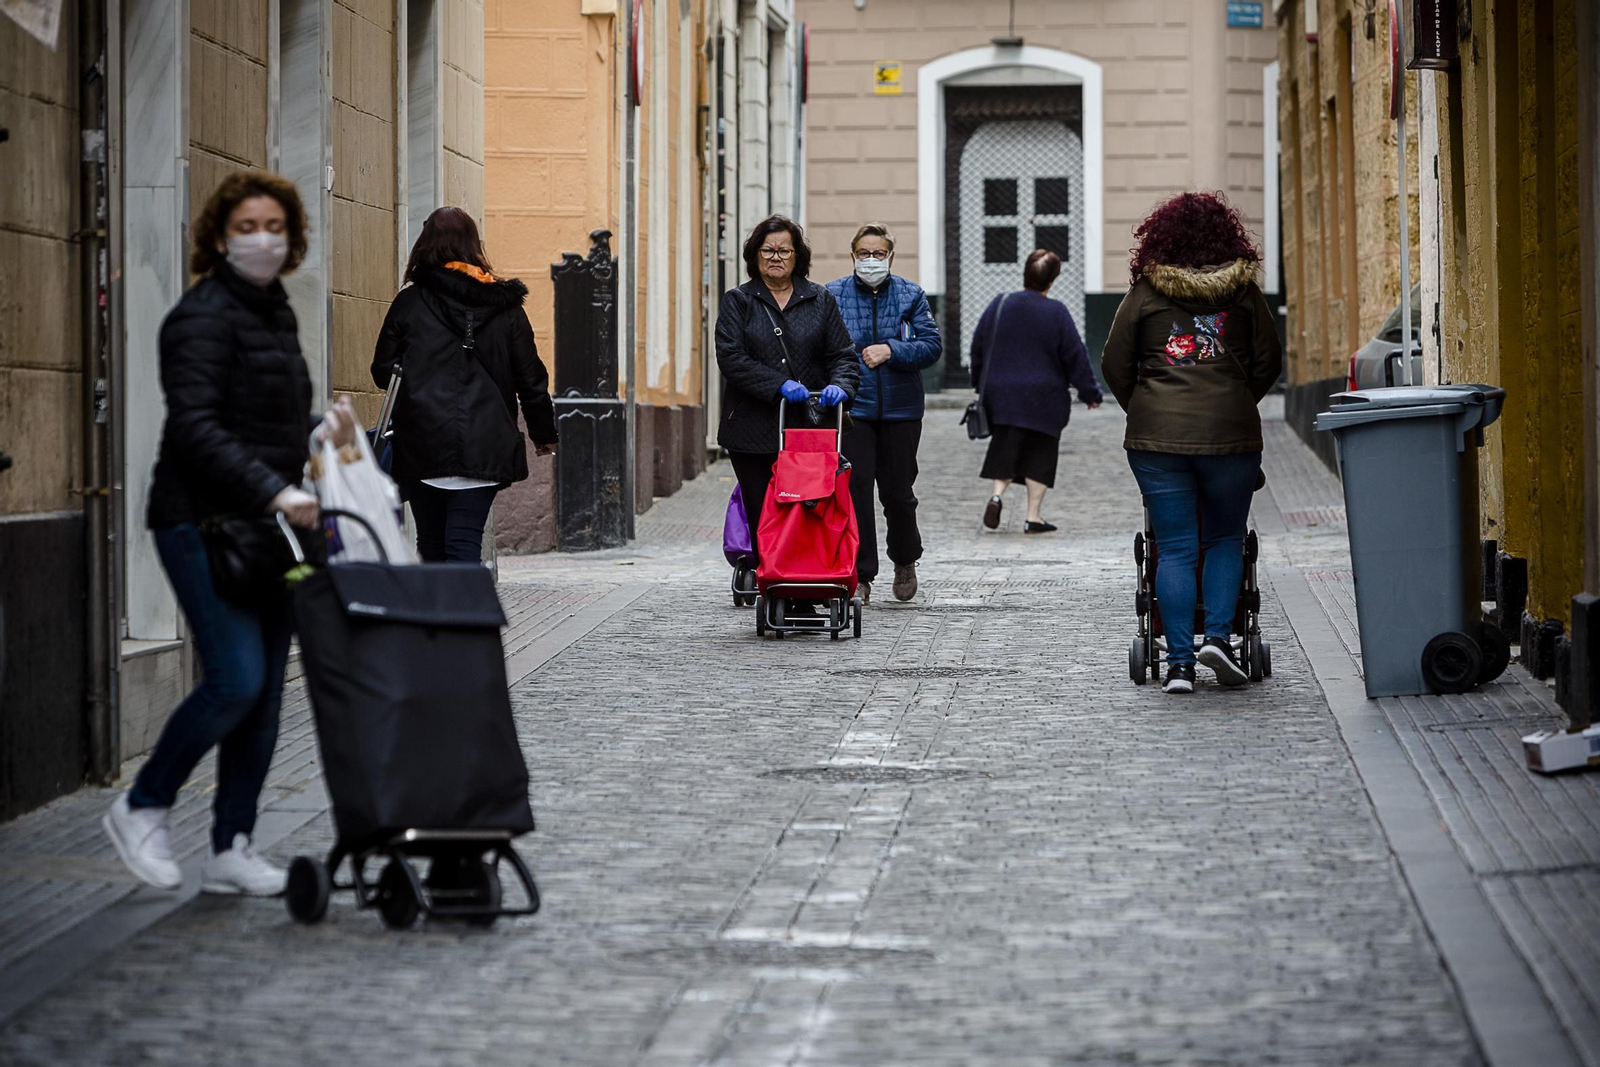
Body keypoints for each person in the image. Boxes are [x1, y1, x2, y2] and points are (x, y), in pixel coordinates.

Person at [103, 171, 358, 895]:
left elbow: (266, 421)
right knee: (236, 677)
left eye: (274, 226)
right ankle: (142, 803)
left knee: (269, 691)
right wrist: (273, 488)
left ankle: (231, 844)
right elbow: (195, 427)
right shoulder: (201, 316)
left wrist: (321, 434)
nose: (262, 239)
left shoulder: (274, 312)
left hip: (268, 525)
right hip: (200, 520)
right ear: (220, 236)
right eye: (246, 226)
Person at [1101, 192, 1283, 695]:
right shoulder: (1244, 293)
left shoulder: (1145, 292)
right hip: (1231, 436)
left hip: (1157, 440)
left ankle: (1179, 665)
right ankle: (1219, 641)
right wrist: (1237, 399)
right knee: (1224, 537)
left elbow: (1114, 364)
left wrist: (1145, 407)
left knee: (1176, 547)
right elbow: (1269, 361)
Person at [371, 207, 557, 563]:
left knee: (431, 542)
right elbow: (530, 377)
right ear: (474, 245)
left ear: (425, 246)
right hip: (487, 438)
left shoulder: (410, 301)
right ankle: (466, 615)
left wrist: (418, 375)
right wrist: (542, 434)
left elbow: (383, 372)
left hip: (423, 438)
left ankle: (440, 616)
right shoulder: (506, 307)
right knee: (464, 539)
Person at [716, 215, 859, 568]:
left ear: (798, 256)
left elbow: (842, 355)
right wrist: (778, 384)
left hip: (807, 427)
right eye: (767, 250)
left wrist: (840, 387)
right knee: (763, 509)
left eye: (784, 250)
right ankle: (773, 581)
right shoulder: (739, 301)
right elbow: (731, 358)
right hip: (750, 427)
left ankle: (805, 585)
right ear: (755, 255)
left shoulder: (820, 299)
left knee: (807, 508)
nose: (775, 257)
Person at [825, 224, 942, 605]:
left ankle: (905, 559)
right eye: (864, 253)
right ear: (853, 255)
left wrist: (892, 350)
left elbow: (931, 345)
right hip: (854, 409)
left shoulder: (910, 294)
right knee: (856, 492)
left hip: (901, 409)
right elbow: (822, 345)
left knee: (898, 491)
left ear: (891, 256)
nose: (871, 260)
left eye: (878, 254)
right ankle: (861, 575)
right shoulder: (834, 295)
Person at [969, 249, 1102, 534]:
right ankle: (1033, 516)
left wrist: (979, 382)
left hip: (1002, 394)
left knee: (1005, 447)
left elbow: (979, 345)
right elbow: (1074, 355)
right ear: (1051, 280)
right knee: (1041, 453)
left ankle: (997, 495)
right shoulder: (1056, 311)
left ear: (1025, 274)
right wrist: (1090, 392)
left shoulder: (1000, 303)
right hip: (1045, 397)